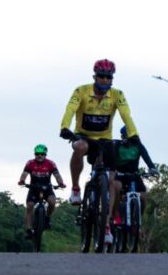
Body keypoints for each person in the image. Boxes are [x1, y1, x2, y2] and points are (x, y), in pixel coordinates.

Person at [59, 58, 142, 247]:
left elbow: (126, 115)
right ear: (94, 76)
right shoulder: (81, 91)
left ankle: (106, 226)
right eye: (101, 76)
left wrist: (134, 134)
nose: (105, 80)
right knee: (79, 147)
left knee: (112, 180)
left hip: (105, 139)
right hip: (84, 136)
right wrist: (65, 127)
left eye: (108, 77)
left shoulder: (117, 94)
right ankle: (75, 189)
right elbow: (70, 109)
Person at [110, 125, 158, 238]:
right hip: (120, 175)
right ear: (123, 136)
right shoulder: (117, 145)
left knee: (143, 196)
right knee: (116, 187)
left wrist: (152, 168)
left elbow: (146, 157)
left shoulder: (138, 146)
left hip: (134, 175)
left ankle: (137, 221)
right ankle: (116, 213)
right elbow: (111, 160)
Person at [17, 144, 66, 238]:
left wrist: (61, 183)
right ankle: (29, 230)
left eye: (42, 154)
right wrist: (22, 181)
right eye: (37, 154)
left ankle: (47, 218)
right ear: (34, 154)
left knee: (52, 202)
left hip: (47, 188)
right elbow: (24, 173)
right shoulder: (30, 163)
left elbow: (57, 175)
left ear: (45, 155)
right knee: (29, 206)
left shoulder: (51, 163)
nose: (39, 156)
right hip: (33, 188)